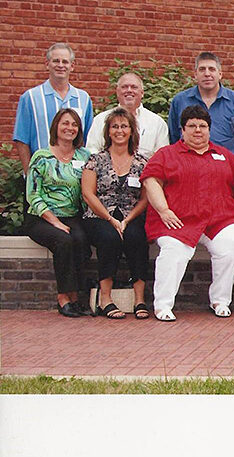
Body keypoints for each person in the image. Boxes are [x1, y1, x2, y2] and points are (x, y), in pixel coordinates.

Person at [142, 105, 234, 322]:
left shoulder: (224, 156)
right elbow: (151, 181)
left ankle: (220, 300)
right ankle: (163, 305)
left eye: (203, 126)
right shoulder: (166, 155)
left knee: (233, 242)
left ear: (209, 129)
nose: (198, 130)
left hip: (219, 220)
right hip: (178, 220)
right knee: (174, 251)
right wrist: (164, 210)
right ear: (182, 130)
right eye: (192, 126)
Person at [81, 108, 150, 319]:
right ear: (108, 131)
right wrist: (111, 219)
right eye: (115, 127)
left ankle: (139, 299)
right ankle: (106, 299)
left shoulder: (142, 162)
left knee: (137, 238)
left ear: (132, 131)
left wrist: (127, 220)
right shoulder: (95, 160)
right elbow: (88, 194)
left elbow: (145, 198)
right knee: (109, 239)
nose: (119, 131)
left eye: (124, 126)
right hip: (99, 216)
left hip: (131, 215)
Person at [23, 109, 91, 317]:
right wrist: (54, 222)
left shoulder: (84, 156)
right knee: (63, 240)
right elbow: (33, 195)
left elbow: (89, 189)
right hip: (40, 216)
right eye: (65, 123)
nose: (70, 128)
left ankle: (77, 295)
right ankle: (64, 297)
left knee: (81, 239)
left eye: (74, 125)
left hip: (71, 215)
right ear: (56, 127)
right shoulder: (42, 157)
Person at [14, 43, 93, 172]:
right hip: (42, 173)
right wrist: (30, 175)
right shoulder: (31, 98)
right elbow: (22, 140)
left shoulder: (83, 98)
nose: (60, 65)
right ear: (47, 64)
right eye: (56, 61)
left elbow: (88, 139)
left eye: (65, 62)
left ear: (72, 66)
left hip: (75, 174)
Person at [168, 52, 234, 158]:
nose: (207, 74)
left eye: (212, 69)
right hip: (188, 166)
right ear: (195, 74)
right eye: (202, 69)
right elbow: (174, 137)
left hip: (227, 168)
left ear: (220, 74)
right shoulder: (180, 101)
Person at [86, 72, 169, 159]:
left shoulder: (157, 123)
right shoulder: (101, 120)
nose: (129, 90)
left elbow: (162, 158)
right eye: (124, 87)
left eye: (134, 87)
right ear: (117, 92)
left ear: (142, 93)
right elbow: (92, 151)